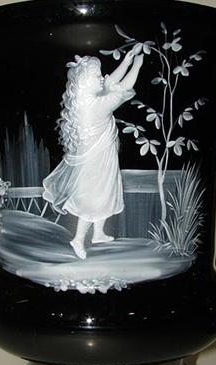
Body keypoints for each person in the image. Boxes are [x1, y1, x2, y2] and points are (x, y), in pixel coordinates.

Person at [42, 46, 144, 259]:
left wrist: (126, 60)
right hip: (97, 164)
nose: (101, 78)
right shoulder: (96, 107)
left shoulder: (84, 100)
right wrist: (137, 64)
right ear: (83, 82)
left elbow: (108, 84)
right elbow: (122, 88)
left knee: (103, 195)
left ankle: (98, 234)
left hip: (99, 160)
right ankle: (78, 239)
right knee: (94, 201)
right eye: (96, 75)